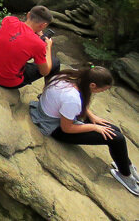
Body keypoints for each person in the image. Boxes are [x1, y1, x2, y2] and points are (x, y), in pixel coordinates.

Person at [30, 65, 139, 196]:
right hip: (54, 126)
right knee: (116, 138)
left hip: (55, 113)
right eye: (102, 90)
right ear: (92, 85)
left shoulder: (73, 76)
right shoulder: (72, 98)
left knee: (113, 129)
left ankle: (124, 165)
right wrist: (94, 127)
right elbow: (67, 128)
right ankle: (125, 175)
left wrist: (91, 116)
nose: (102, 92)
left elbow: (73, 102)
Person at [0, 5, 60, 88]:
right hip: (7, 82)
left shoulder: (10, 20)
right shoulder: (39, 44)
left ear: (28, 15)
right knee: (55, 62)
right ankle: (49, 93)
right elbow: (45, 72)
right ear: (43, 25)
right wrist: (48, 47)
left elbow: (19, 33)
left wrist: (32, 33)